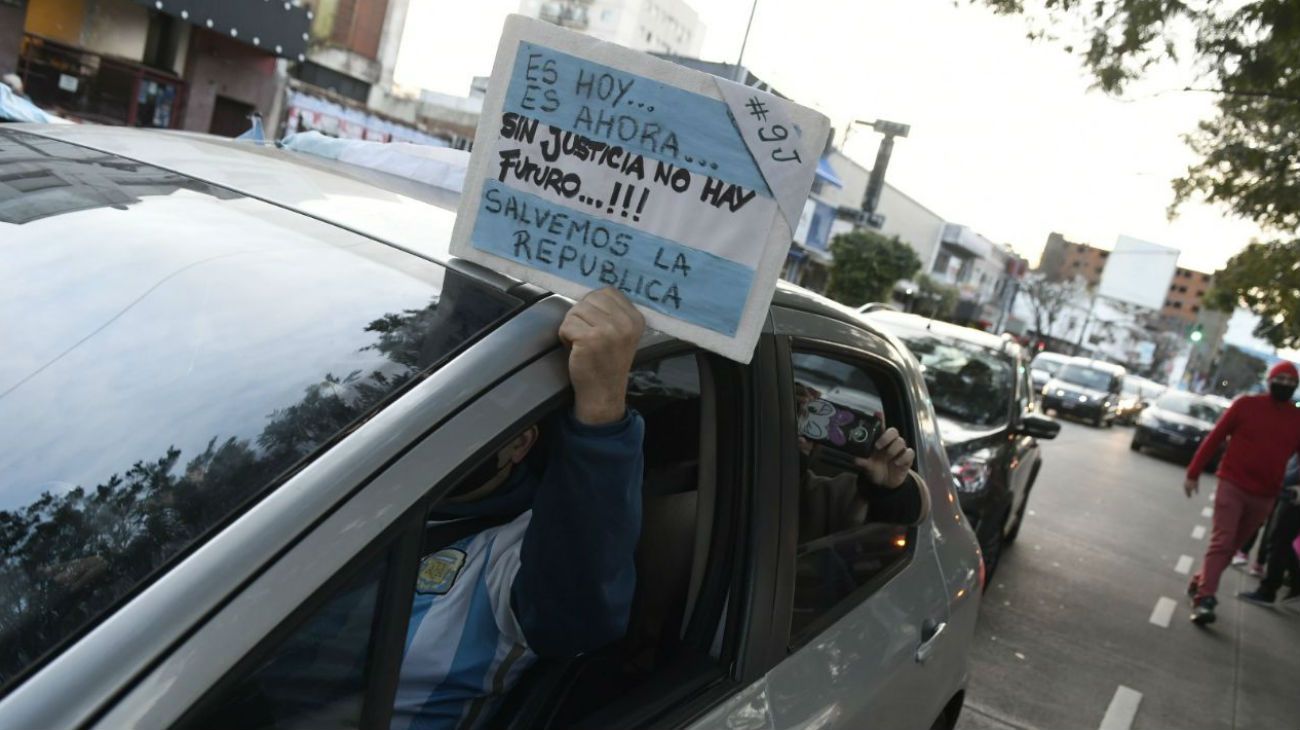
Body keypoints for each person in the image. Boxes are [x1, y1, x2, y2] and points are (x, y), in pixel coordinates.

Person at [391, 288, 647, 729]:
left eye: (461, 422)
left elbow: (580, 608)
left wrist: (602, 411)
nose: (429, 434)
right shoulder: (355, 483)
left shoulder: (514, 554)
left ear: (519, 443)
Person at [1184, 361, 1300, 625]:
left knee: (1232, 547)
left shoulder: (1297, 419)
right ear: (1269, 380)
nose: (1285, 384)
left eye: (1291, 381)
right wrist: (1193, 472)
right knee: (1223, 542)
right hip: (1232, 485)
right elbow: (1215, 437)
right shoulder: (1246, 405)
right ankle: (1205, 599)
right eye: (1280, 378)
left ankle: (1200, 581)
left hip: (1265, 496)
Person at [1238, 455, 1300, 608]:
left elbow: (1292, 472)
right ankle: (1296, 584)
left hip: (1294, 497)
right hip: (1290, 494)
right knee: (1282, 543)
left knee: (1278, 542)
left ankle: (1268, 591)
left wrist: (1276, 481)